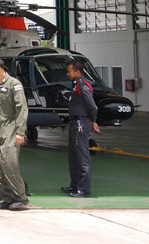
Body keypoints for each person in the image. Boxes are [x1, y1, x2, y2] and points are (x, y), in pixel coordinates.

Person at [0, 55, 29, 211]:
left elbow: (22, 109)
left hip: (10, 128)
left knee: (9, 164)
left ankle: (21, 197)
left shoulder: (14, 84)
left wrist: (20, 132)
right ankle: (7, 198)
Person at [61, 60, 100, 198]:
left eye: (69, 71)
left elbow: (92, 106)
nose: (67, 74)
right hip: (75, 122)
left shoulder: (82, 86)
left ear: (77, 72)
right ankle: (75, 185)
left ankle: (83, 189)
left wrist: (93, 121)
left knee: (82, 157)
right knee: (73, 156)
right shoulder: (76, 85)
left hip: (80, 123)